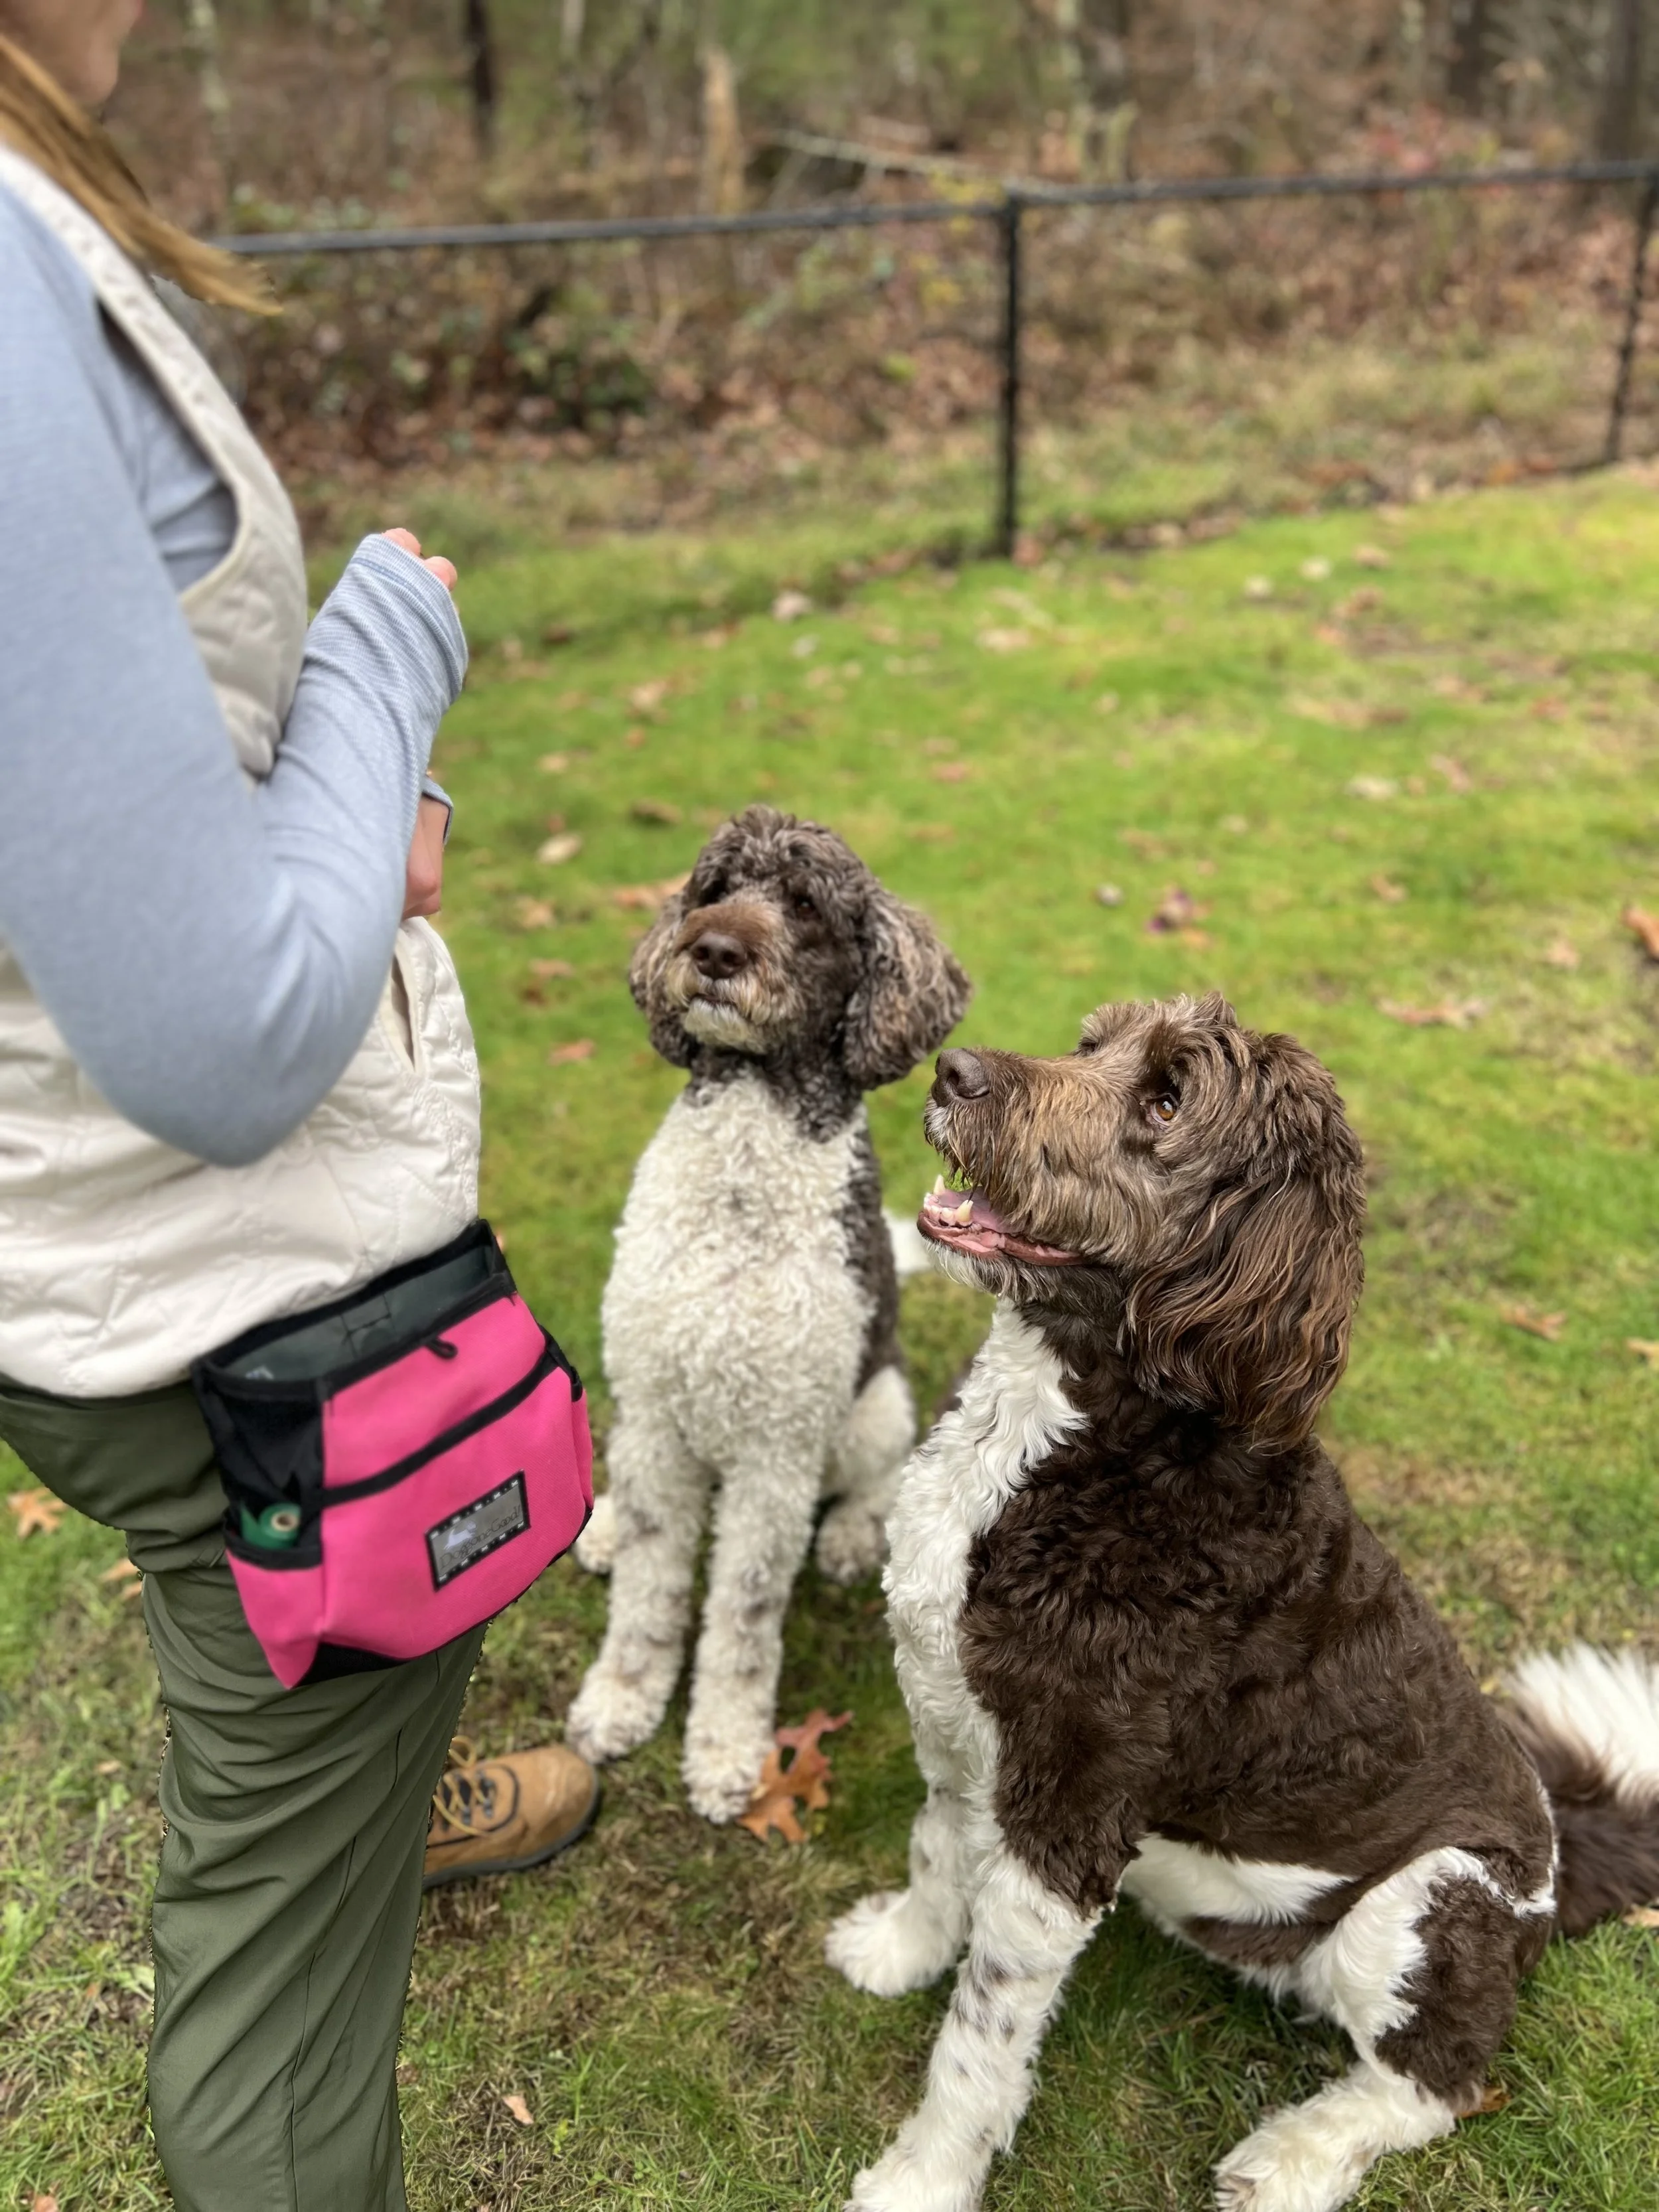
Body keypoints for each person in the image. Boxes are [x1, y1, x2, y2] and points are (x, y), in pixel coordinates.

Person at [0, 7, 596, 2207]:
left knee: (281, 1630)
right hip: (202, 1294)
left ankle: (359, 1778)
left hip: (78, 1257)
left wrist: (287, 854)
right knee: (272, 1989)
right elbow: (230, 1026)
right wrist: (381, 652)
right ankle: (309, 1876)